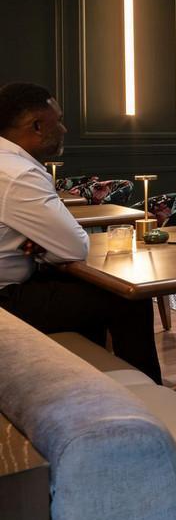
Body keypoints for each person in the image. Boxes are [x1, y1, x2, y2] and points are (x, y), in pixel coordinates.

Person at [0, 83, 162, 382]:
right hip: (6, 299)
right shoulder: (20, 172)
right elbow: (74, 247)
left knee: (88, 290)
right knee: (126, 298)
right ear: (36, 126)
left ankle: (90, 379)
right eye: (57, 120)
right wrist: (41, 244)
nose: (64, 128)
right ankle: (149, 395)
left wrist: (37, 244)